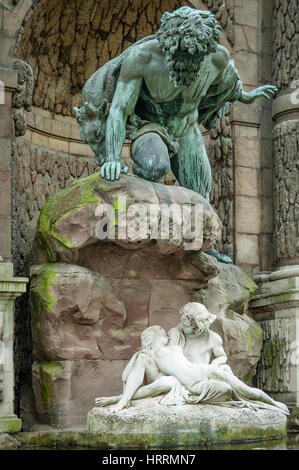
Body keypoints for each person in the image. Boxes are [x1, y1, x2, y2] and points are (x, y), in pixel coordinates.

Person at [75, 7, 276, 263]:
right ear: (169, 45)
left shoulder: (217, 59)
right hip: (150, 126)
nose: (190, 61)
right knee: (154, 165)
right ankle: (142, 232)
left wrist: (245, 96)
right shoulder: (143, 58)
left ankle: (201, 247)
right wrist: (113, 158)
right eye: (183, 54)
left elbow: (229, 85)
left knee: (201, 192)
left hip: (187, 127)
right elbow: (119, 109)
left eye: (196, 57)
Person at [95, 324, 289, 415]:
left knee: (245, 390)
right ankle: (123, 400)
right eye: (147, 339)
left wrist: (192, 319)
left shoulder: (173, 343)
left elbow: (183, 326)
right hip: (194, 384)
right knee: (237, 391)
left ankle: (272, 402)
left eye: (150, 337)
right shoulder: (147, 356)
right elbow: (126, 376)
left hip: (205, 371)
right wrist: (140, 353)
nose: (149, 340)